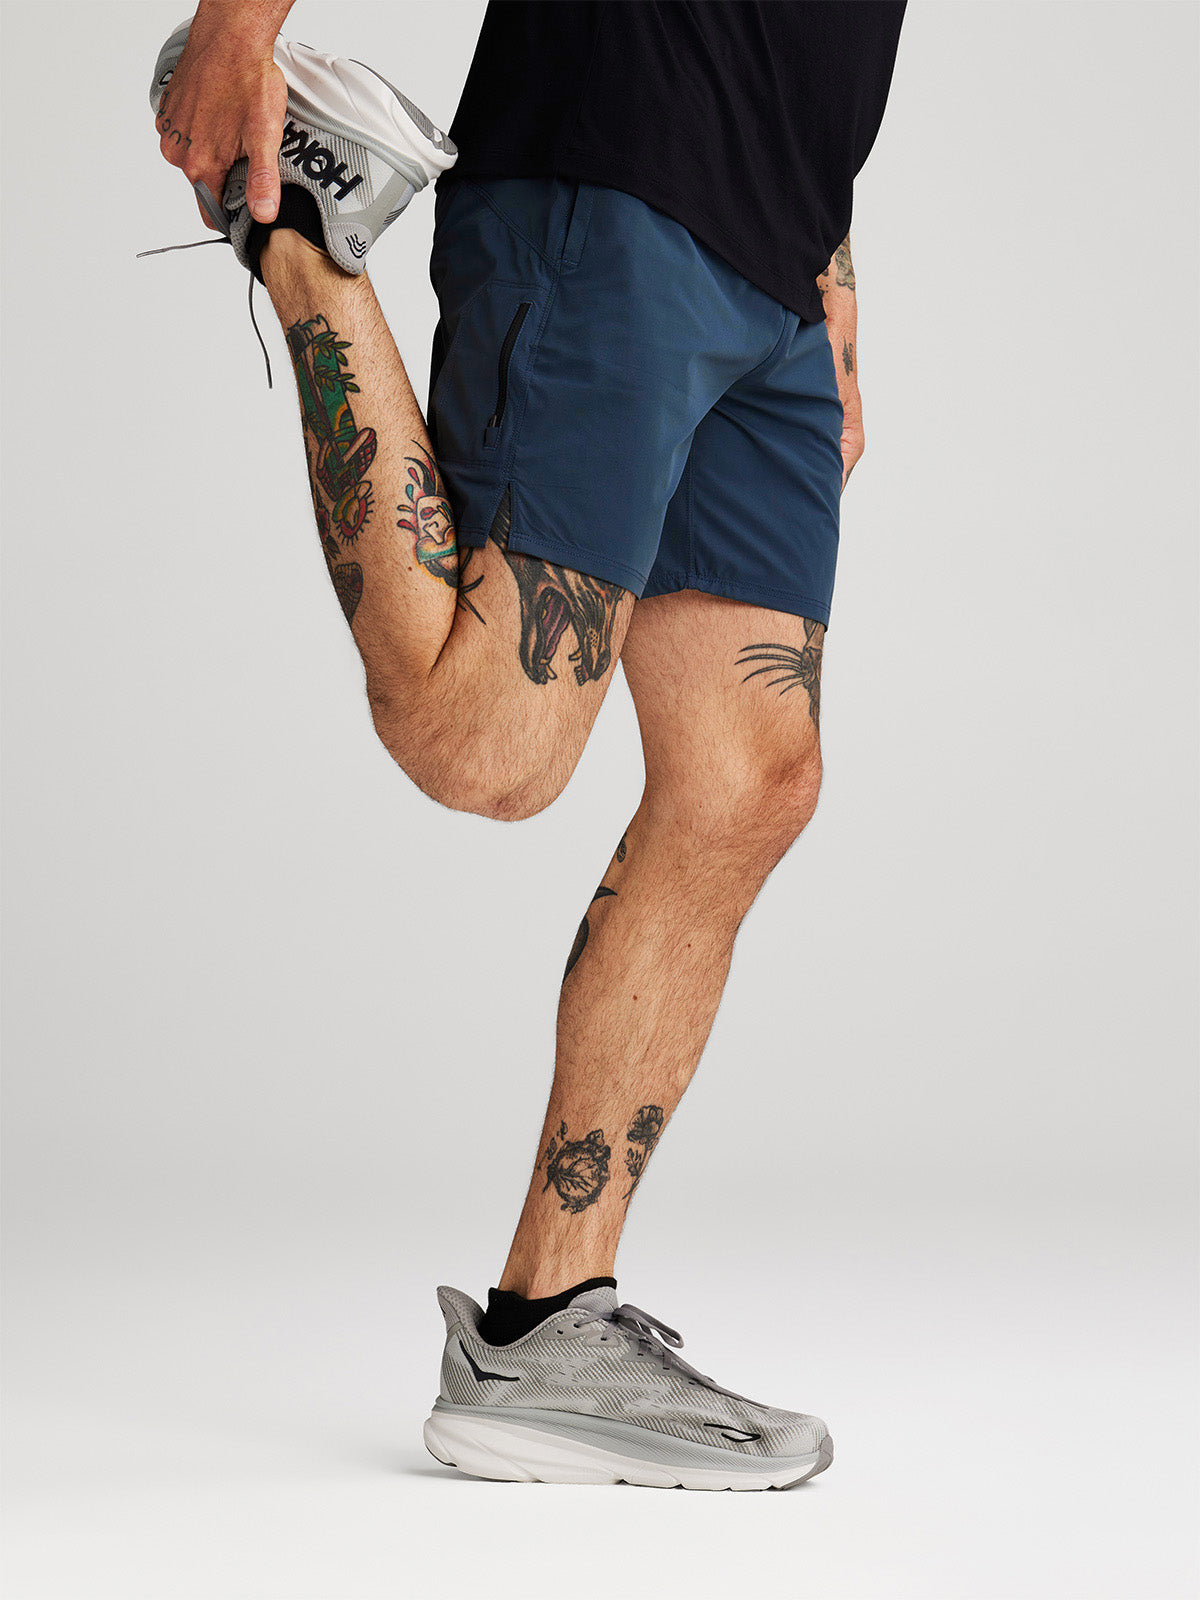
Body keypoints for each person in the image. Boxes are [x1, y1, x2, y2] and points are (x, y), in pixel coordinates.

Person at [150, 0, 906, 1490]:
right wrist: (241, 23)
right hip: (617, 161)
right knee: (487, 743)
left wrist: (828, 267)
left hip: (774, 227)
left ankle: (547, 1325)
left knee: (751, 776)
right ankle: (294, 225)